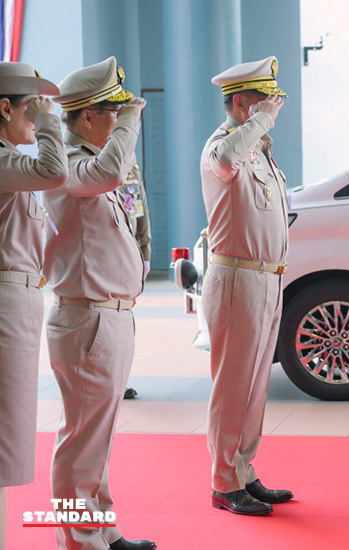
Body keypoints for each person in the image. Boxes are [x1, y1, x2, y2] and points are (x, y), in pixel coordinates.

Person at [44, 57, 155, 550]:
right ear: (88, 117)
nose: (122, 119)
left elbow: (128, 213)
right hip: (86, 316)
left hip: (109, 314)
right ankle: (79, 541)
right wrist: (132, 122)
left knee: (97, 439)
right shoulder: (69, 166)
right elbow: (109, 172)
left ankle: (101, 533)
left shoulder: (92, 163)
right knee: (80, 443)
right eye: (114, 111)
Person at [201, 56, 293, 516]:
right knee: (233, 386)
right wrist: (258, 125)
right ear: (241, 103)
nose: (273, 107)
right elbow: (224, 161)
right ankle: (223, 483)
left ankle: (243, 472)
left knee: (255, 386)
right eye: (265, 100)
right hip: (237, 277)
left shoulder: (258, 150)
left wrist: (260, 128)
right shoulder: (223, 146)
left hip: (266, 279)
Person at [0, 62, 67, 550]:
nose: (39, 117)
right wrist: (50, 124)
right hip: (4, 304)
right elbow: (54, 169)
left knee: (9, 434)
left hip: (19, 301)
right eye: (32, 107)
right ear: (4, 108)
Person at [120, 161, 150, 401]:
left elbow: (141, 210)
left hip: (128, 255)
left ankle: (120, 378)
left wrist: (145, 252)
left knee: (124, 321)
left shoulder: (130, 166)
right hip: (105, 256)